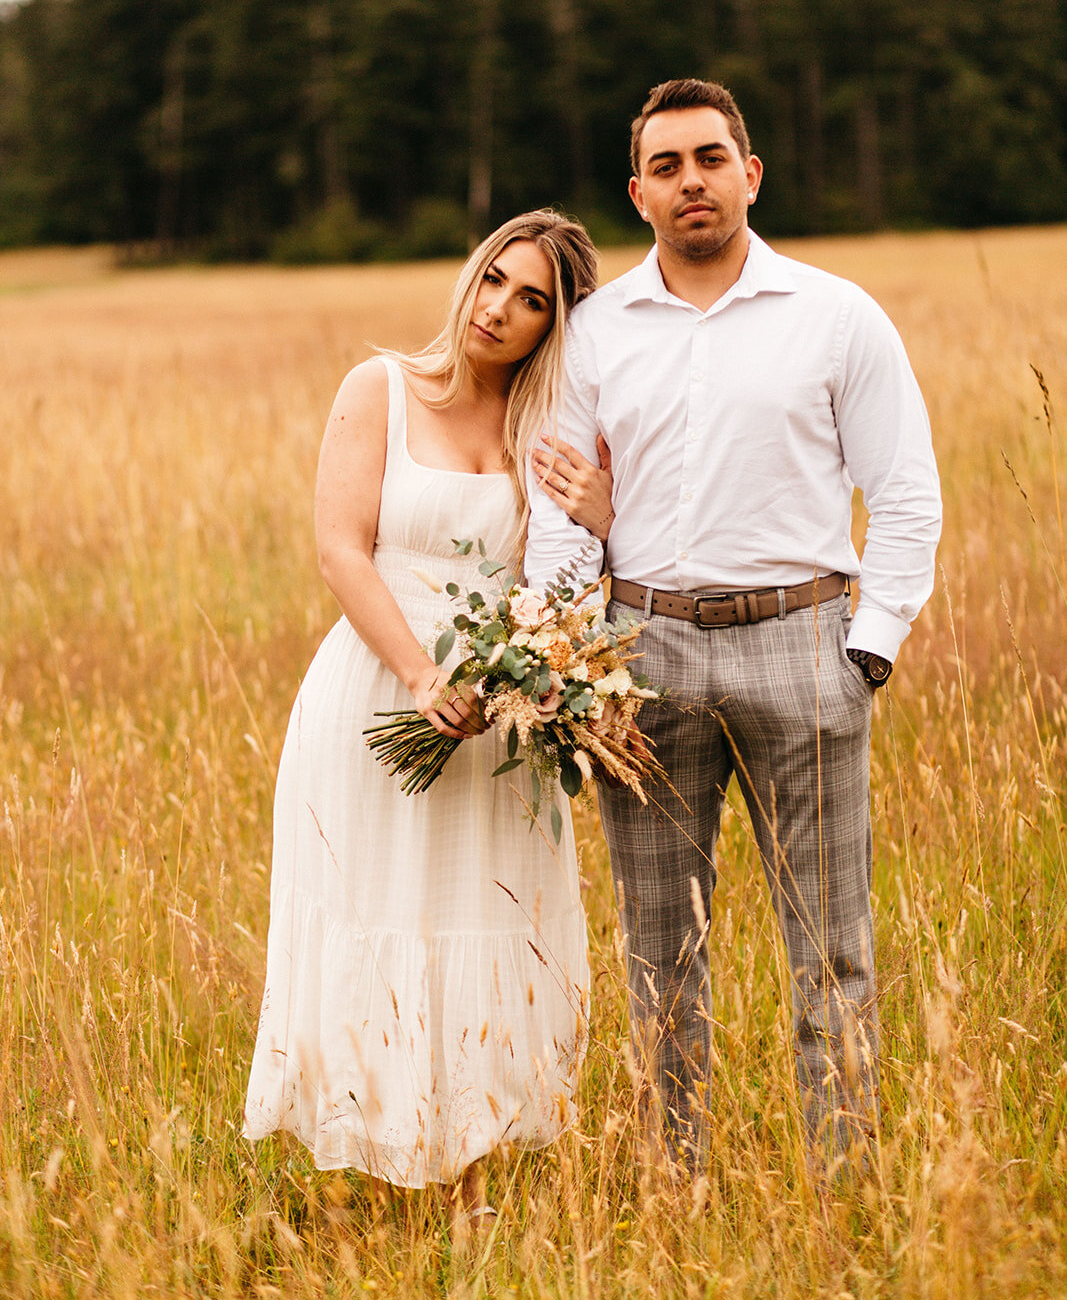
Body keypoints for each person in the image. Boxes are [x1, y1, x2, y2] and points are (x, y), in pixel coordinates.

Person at [526, 79, 942, 1170]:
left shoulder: (835, 315)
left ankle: (844, 1177)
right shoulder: (594, 334)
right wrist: (575, 658)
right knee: (658, 953)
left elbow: (903, 492)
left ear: (749, 173)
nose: (690, 181)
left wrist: (869, 646)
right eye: (664, 167)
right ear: (637, 194)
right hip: (640, 660)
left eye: (708, 158)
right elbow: (562, 512)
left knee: (831, 947)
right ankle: (678, 1178)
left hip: (804, 645)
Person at [244, 210, 605, 1208]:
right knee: (379, 908)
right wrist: (418, 677)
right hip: (379, 695)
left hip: (499, 719)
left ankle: (473, 1167)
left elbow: (580, 564)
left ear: (553, 324)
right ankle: (377, 1156)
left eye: (532, 299)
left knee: (481, 910)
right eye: (495, 278)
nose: (499, 308)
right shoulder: (382, 389)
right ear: (469, 272)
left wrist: (534, 672)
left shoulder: (545, 431)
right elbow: (340, 549)